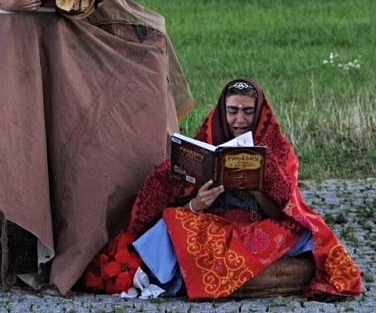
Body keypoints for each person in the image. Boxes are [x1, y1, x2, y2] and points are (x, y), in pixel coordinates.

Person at [83, 78, 361, 301]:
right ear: (222, 110)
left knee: (311, 236)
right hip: (214, 226)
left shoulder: (278, 149)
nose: (239, 119)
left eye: (247, 111)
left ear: (259, 113)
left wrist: (256, 189)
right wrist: (197, 204)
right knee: (172, 223)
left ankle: (201, 277)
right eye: (232, 111)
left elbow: (286, 210)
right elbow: (175, 196)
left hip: (258, 227)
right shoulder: (207, 139)